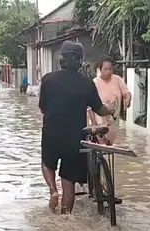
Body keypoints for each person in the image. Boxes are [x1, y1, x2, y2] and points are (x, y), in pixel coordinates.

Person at [39, 41, 114, 213]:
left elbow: (43, 108)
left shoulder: (48, 80)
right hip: (75, 138)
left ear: (61, 59)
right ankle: (66, 214)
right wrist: (109, 109)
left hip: (51, 132)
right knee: (69, 179)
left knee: (47, 163)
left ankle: (52, 190)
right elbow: (99, 110)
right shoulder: (87, 83)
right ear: (80, 62)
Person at [87, 56, 131, 144]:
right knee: (100, 144)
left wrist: (128, 99)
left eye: (110, 69)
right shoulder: (94, 83)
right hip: (98, 120)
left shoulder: (118, 80)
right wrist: (94, 123)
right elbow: (89, 106)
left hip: (113, 120)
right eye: (105, 69)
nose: (108, 71)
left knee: (109, 144)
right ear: (100, 69)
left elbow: (126, 92)